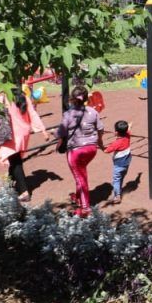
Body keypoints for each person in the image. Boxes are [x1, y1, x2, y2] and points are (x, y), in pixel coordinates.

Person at [0, 87, 50, 202]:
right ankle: (10, 186)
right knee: (14, 159)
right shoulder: (24, 97)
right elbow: (33, 114)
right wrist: (43, 130)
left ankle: (24, 192)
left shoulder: (3, 98)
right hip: (23, 133)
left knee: (15, 161)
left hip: (10, 133)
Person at [57, 85, 104, 217]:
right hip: (91, 149)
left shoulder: (68, 114)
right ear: (86, 98)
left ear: (72, 98)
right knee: (81, 173)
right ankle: (78, 197)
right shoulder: (93, 111)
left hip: (75, 151)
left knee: (80, 177)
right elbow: (100, 129)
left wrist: (58, 142)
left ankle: (85, 208)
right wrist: (100, 142)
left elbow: (61, 132)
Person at [102, 120, 132, 205]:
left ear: (116, 132)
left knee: (116, 180)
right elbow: (129, 129)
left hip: (119, 165)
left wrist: (100, 145)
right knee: (120, 178)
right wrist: (129, 125)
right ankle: (119, 190)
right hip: (126, 163)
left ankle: (117, 196)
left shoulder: (116, 143)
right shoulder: (128, 135)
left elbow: (106, 151)